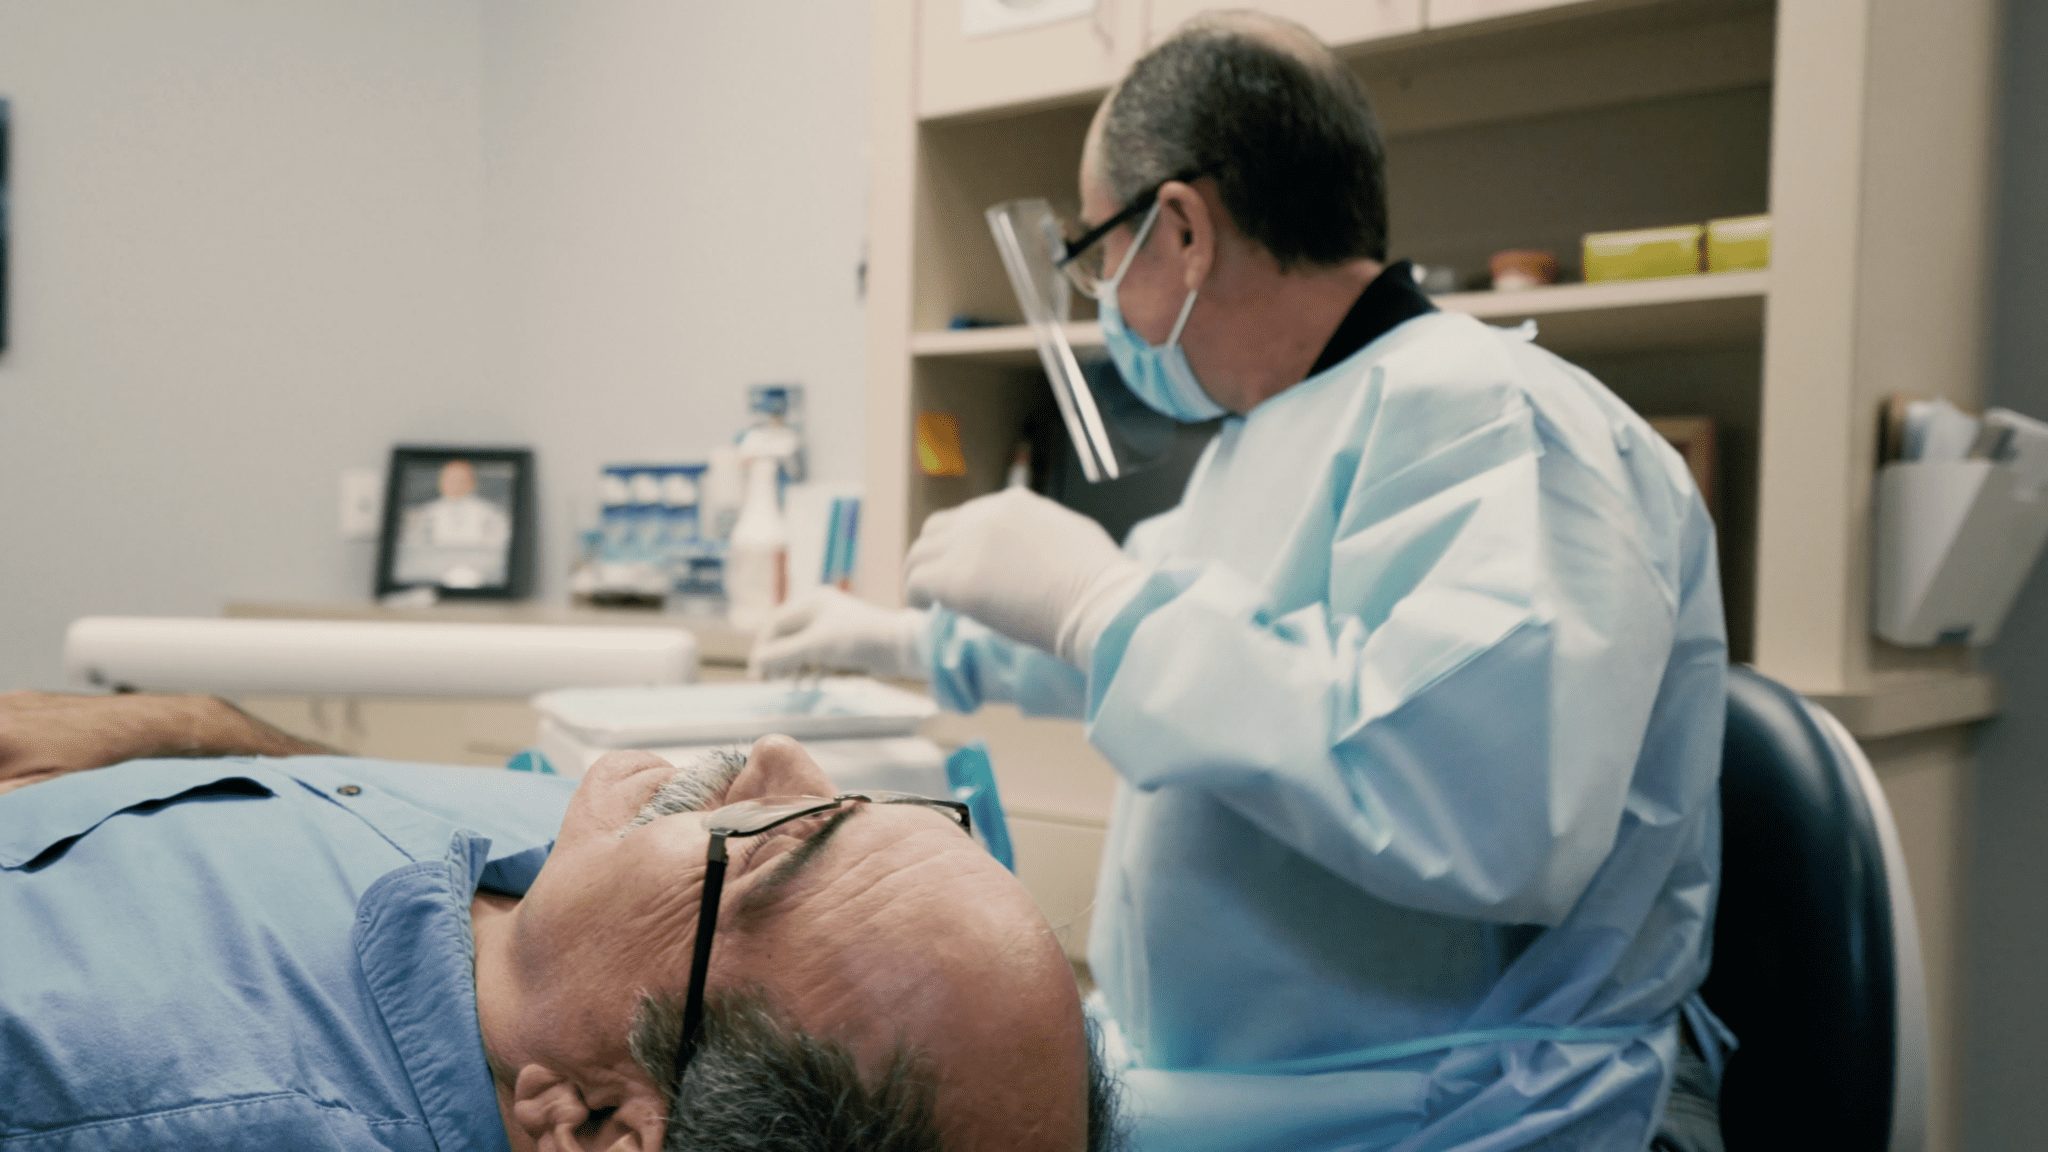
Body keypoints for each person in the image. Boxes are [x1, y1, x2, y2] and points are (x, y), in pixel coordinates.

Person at [753, 12, 1730, 1151]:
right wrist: (907, 641)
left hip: (1460, 1116)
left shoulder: (1499, 422)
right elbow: (1201, 659)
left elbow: (1481, 805)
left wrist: (1102, 606)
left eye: (1096, 253)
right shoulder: (1276, 433)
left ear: (1178, 230)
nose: (1101, 298)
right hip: (1266, 1098)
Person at [0, 691, 1121, 1151]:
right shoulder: (588, 902)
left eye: (782, 839)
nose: (779, 757)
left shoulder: (127, 1090)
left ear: (597, 1126)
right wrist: (193, 737)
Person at [401, 458, 513, 588]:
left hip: (479, 574)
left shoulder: (491, 514)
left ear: (472, 483)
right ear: (441, 483)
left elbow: (499, 549)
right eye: (450, 480)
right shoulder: (426, 514)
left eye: (461, 480)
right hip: (433, 573)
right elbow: (415, 548)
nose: (455, 484)